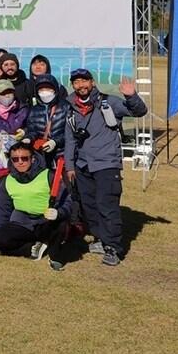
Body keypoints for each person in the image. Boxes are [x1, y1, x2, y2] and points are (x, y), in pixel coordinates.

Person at [63, 70, 147, 266]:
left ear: (92, 82)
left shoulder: (110, 102)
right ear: (73, 86)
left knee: (107, 206)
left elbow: (139, 112)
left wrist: (130, 95)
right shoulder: (70, 107)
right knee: (89, 206)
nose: (81, 85)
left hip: (106, 163)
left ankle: (113, 248)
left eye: (84, 80)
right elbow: (69, 140)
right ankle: (101, 239)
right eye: (76, 82)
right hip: (82, 164)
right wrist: (70, 165)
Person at [0, 140, 73, 270]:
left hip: (47, 222)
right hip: (22, 224)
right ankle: (32, 249)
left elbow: (68, 201)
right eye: (15, 159)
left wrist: (59, 212)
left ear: (33, 159)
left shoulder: (48, 175)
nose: (20, 162)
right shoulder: (7, 181)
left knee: (60, 224)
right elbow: (1, 211)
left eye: (24, 158)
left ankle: (56, 256)